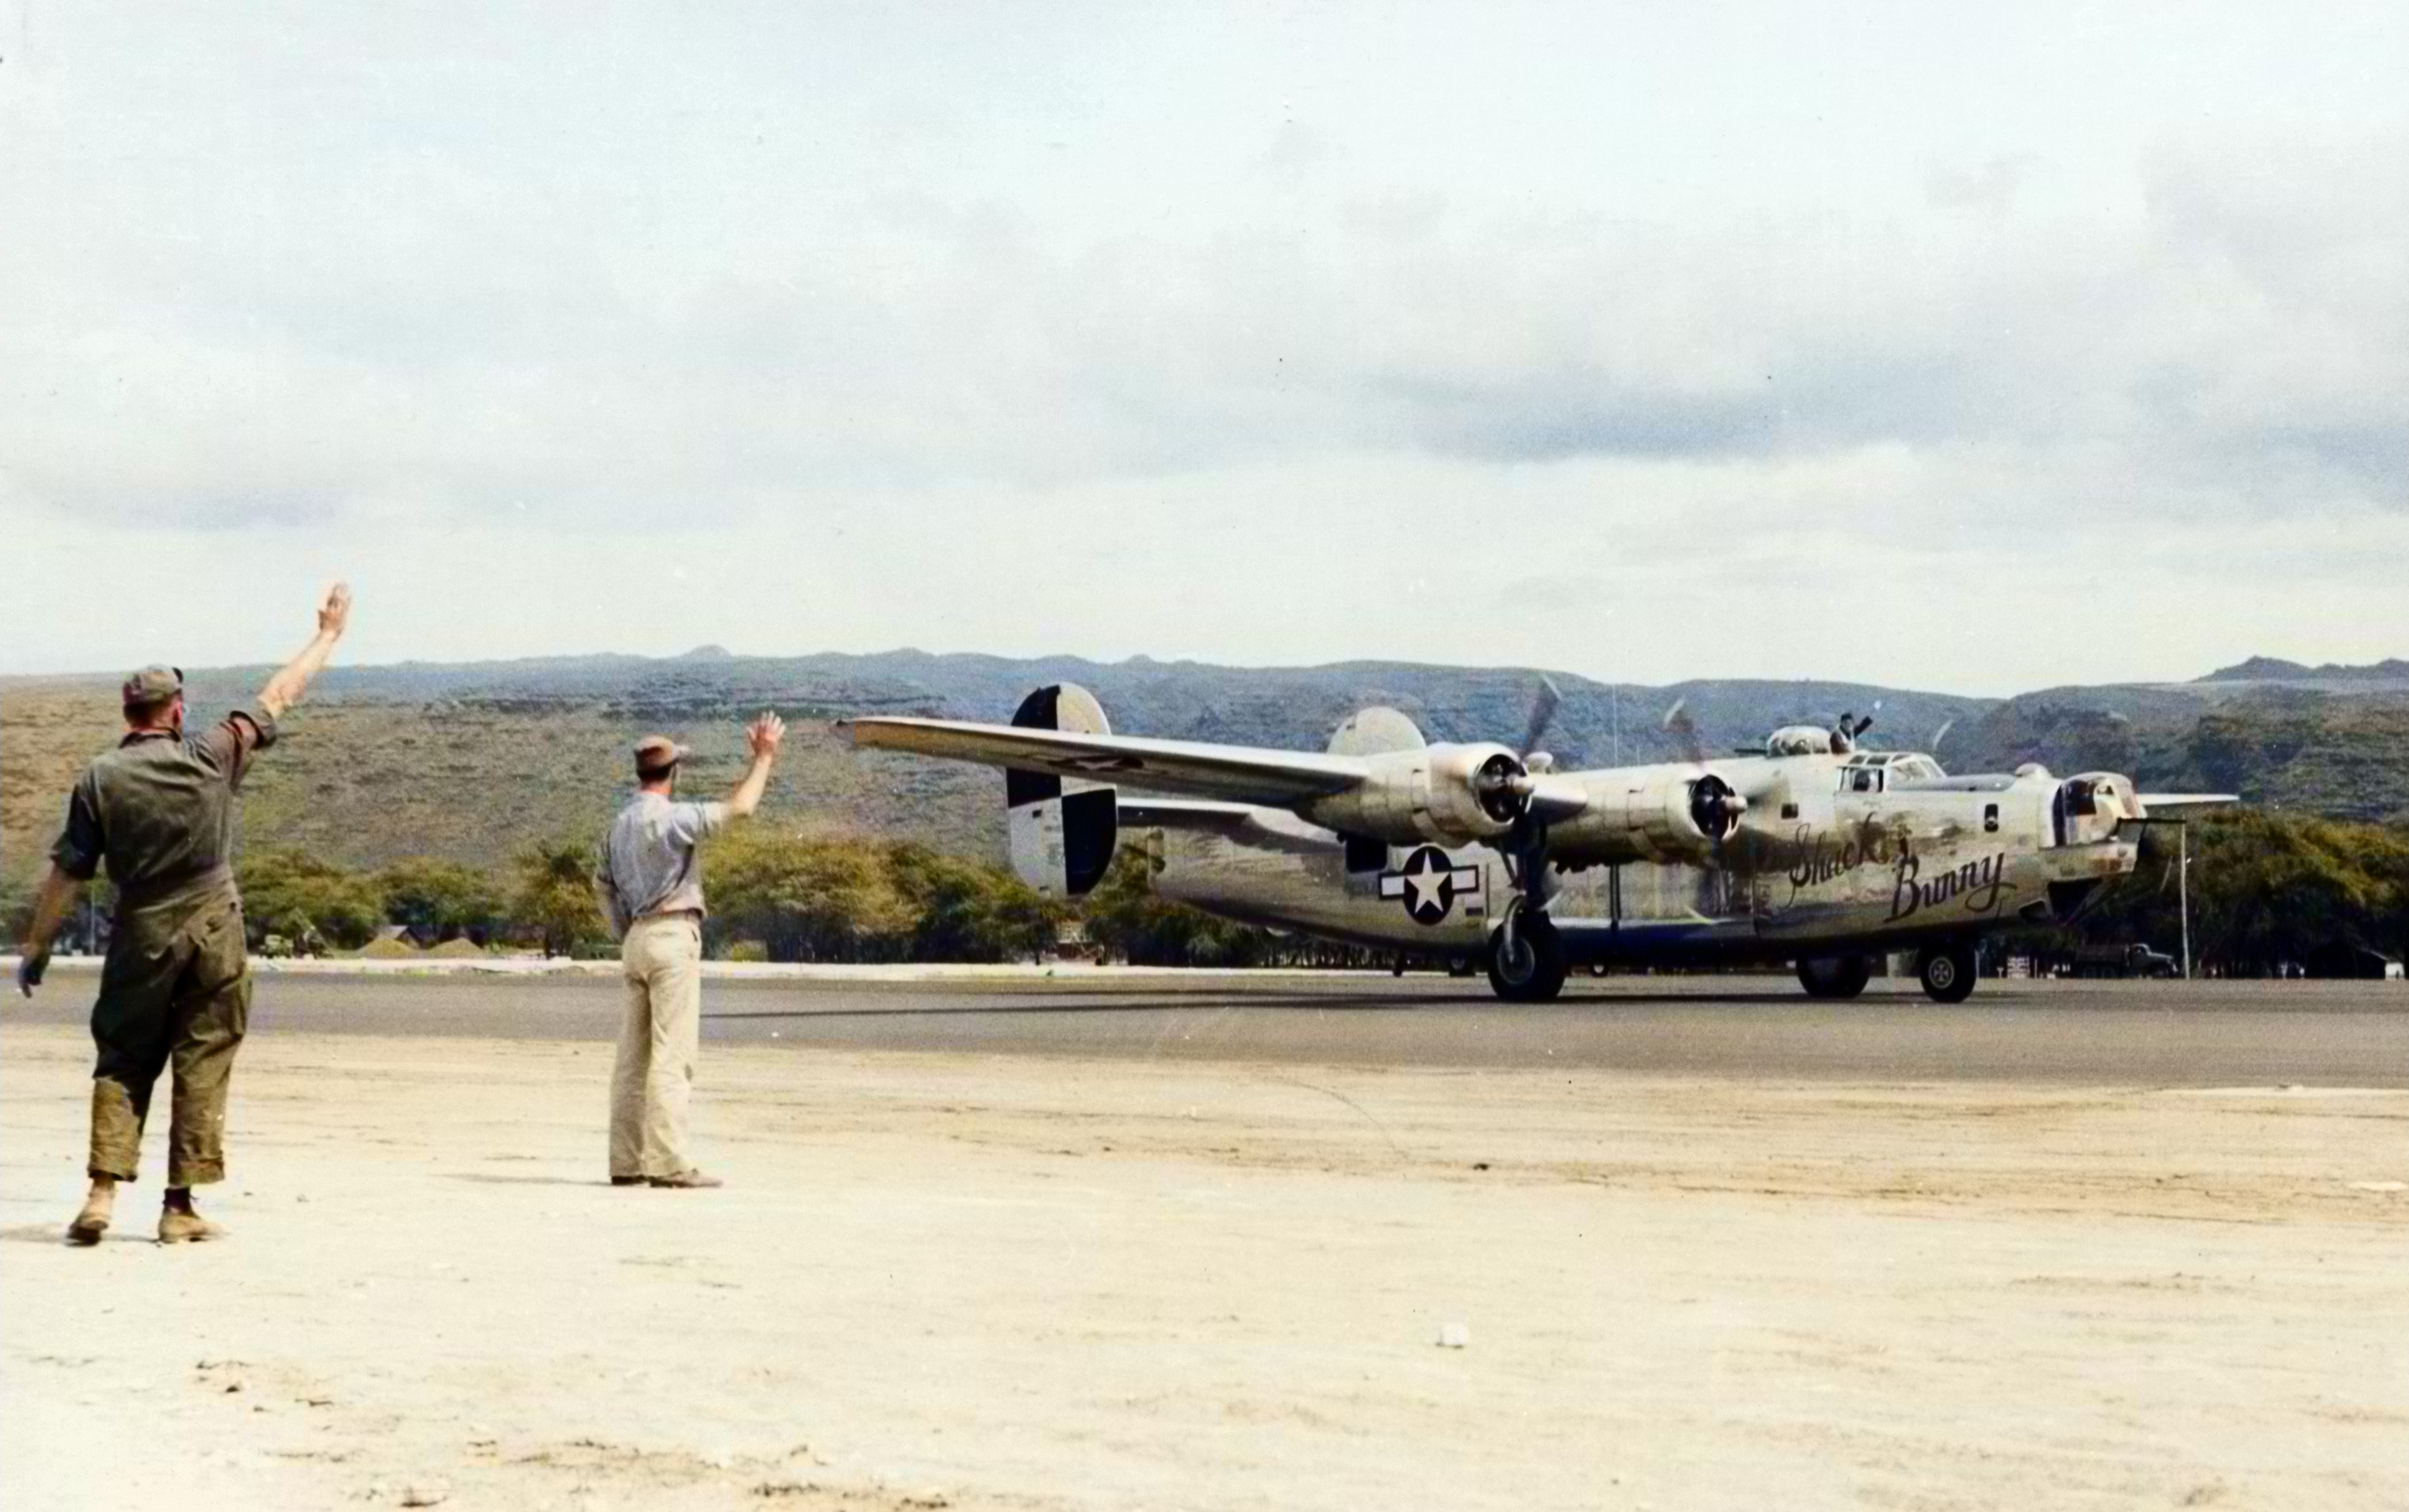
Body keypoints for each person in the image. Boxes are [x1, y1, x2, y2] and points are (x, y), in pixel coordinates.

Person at [15, 583, 353, 1245]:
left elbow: (67, 872)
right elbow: (281, 693)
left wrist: (37, 944)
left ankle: (103, 1192)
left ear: (127, 711)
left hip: (141, 932)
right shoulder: (211, 754)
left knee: (122, 1057)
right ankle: (179, 1206)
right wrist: (328, 636)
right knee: (204, 1058)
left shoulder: (101, 777)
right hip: (214, 928)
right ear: (175, 710)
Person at [597, 713, 784, 1189]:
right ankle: (668, 1162)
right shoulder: (673, 819)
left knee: (631, 1060)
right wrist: (763, 758)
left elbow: (602, 885)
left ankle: (626, 1160)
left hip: (637, 936)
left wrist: (625, 932)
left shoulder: (618, 825)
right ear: (673, 772)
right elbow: (740, 807)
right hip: (672, 935)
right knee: (671, 1055)